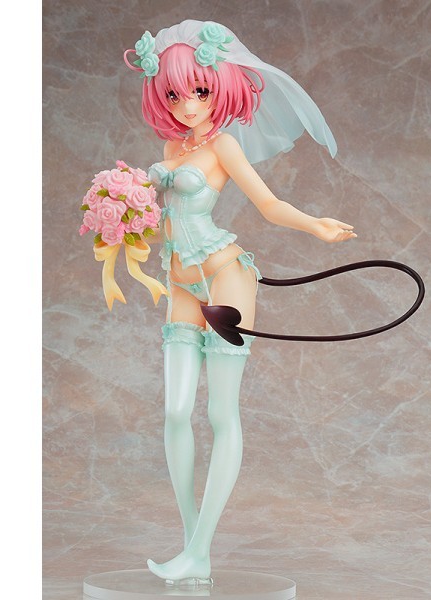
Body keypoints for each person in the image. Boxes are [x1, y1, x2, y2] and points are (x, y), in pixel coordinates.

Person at [124, 19, 356, 582]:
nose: (187, 105)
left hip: (226, 278)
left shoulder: (223, 145)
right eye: (173, 94)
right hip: (181, 283)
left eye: (199, 91)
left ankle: (200, 548)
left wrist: (316, 225)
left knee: (220, 413)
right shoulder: (172, 146)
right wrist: (121, 217)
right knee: (175, 411)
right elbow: (163, 219)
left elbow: (268, 205)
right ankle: (193, 550)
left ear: (220, 86)